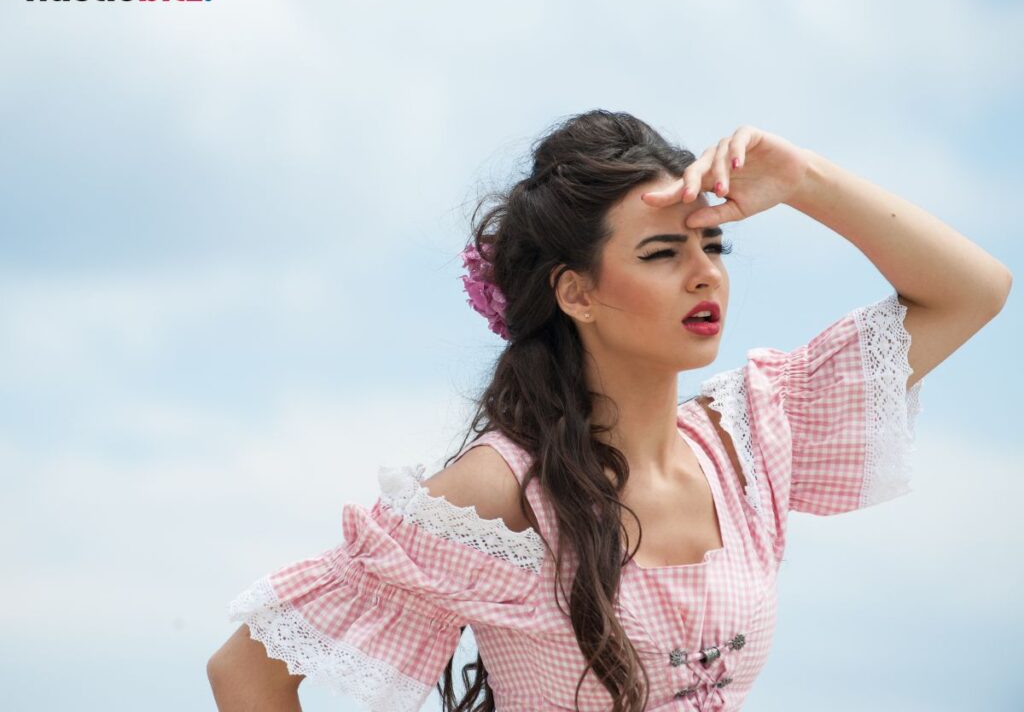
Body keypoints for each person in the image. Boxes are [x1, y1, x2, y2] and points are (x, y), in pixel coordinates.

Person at [206, 113, 1012, 712]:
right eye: (663, 253)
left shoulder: (752, 442)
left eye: (712, 246)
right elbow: (246, 670)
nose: (704, 275)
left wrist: (804, 181)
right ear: (576, 292)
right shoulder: (499, 492)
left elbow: (973, 291)